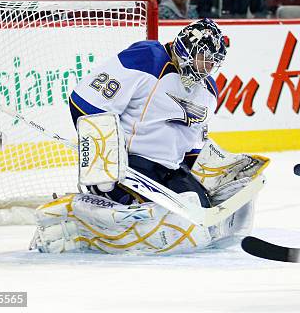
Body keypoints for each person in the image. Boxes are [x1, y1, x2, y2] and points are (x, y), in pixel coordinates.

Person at [31, 19, 260, 255]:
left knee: (203, 216)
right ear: (186, 47)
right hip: (129, 166)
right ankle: (73, 217)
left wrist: (217, 170)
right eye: (204, 58)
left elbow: (193, 144)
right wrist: (103, 165)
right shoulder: (148, 59)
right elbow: (85, 102)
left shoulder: (208, 90)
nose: (208, 67)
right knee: (163, 222)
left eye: (213, 62)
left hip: (170, 169)